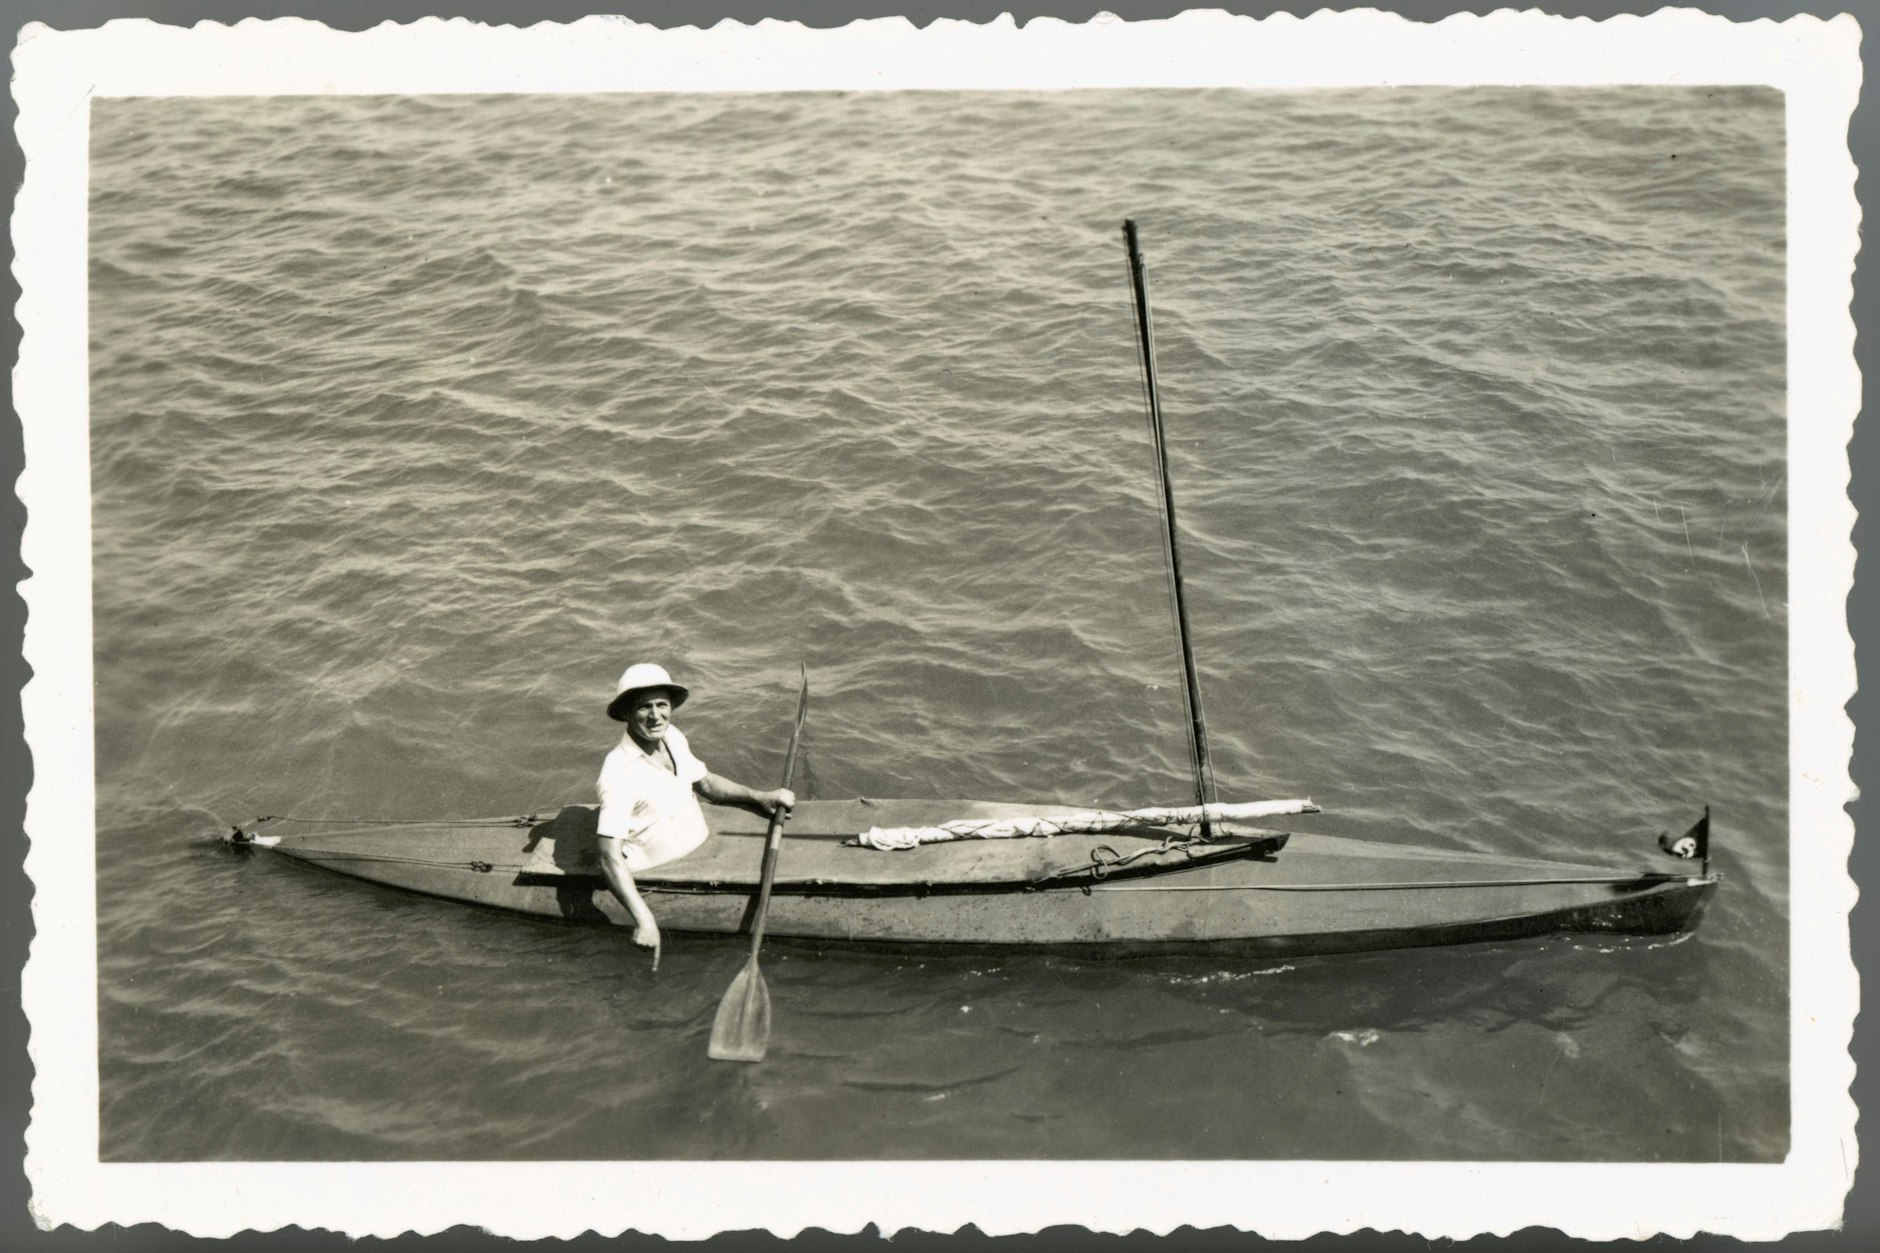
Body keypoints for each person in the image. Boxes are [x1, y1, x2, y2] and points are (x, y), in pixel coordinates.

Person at [595, 663, 794, 970]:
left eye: (662, 705)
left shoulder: (672, 736)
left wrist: (759, 796)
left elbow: (705, 783)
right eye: (643, 707)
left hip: (706, 846)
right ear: (625, 714)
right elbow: (608, 856)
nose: (655, 715)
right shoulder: (618, 772)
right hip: (663, 872)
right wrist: (644, 919)